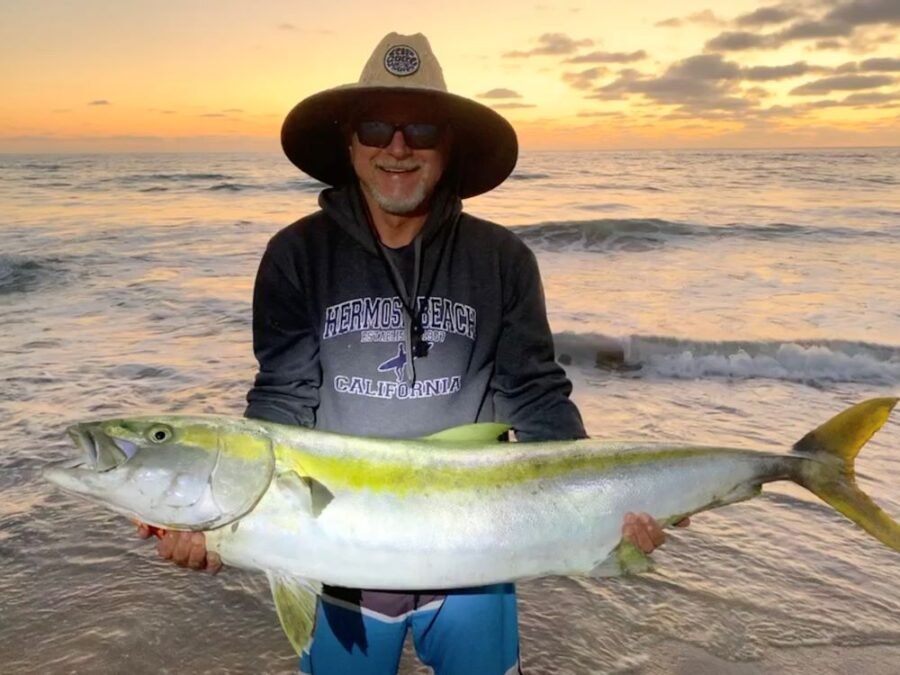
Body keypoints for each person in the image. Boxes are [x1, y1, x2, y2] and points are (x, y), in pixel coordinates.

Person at [138, 32, 684, 674]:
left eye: (421, 129)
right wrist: (223, 515)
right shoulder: (296, 256)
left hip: (476, 556)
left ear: (449, 146)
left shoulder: (504, 259)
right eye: (376, 126)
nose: (397, 148)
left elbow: (535, 396)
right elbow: (283, 398)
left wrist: (602, 507)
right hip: (336, 556)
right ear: (349, 140)